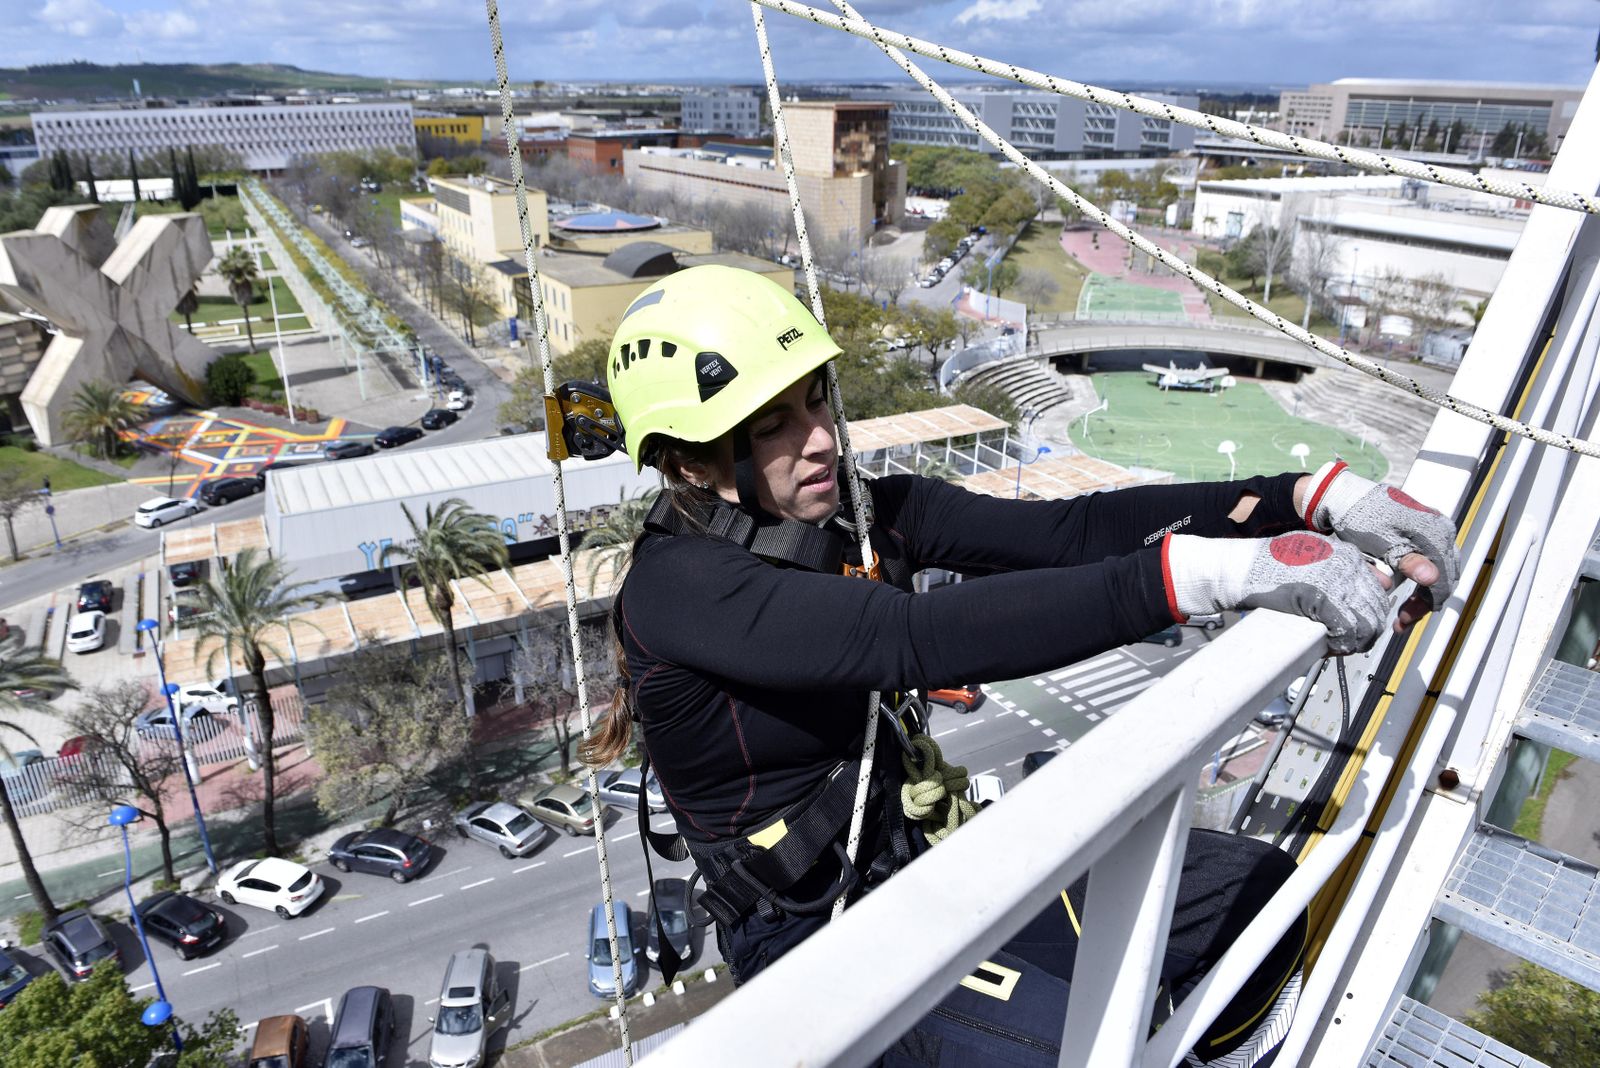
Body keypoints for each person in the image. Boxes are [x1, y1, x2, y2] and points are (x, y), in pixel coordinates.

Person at [579, 265, 1458, 1066]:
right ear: (691, 459)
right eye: (774, 425)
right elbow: (911, 637)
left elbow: (1070, 533)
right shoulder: (679, 590)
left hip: (923, 857)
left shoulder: (857, 516)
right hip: (812, 932)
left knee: (1257, 899)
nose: (818, 441)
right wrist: (1213, 577)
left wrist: (1298, 496)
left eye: (816, 404)